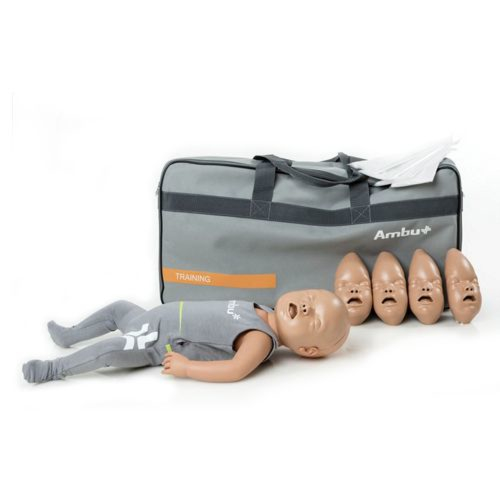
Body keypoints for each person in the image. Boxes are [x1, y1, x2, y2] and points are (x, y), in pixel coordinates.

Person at [22, 289, 350, 383]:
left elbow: (235, 369)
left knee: (109, 351)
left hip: (155, 340)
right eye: (311, 298)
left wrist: (188, 368)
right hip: (152, 318)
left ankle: (53, 369)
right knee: (119, 308)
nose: (306, 307)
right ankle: (70, 335)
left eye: (315, 320)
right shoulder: (263, 308)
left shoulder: (260, 338)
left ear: (307, 350)